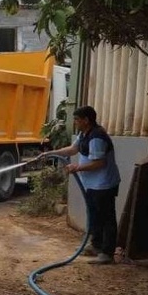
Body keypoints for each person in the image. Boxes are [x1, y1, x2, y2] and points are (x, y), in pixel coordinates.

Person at [38, 105, 121, 264]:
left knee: (106, 218)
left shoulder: (97, 137)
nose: (75, 122)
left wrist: (77, 167)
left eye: (77, 119)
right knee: (95, 215)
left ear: (86, 120)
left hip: (103, 185)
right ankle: (96, 245)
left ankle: (107, 253)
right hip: (92, 184)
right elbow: (72, 149)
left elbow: (100, 163)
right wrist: (50, 153)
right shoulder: (85, 134)